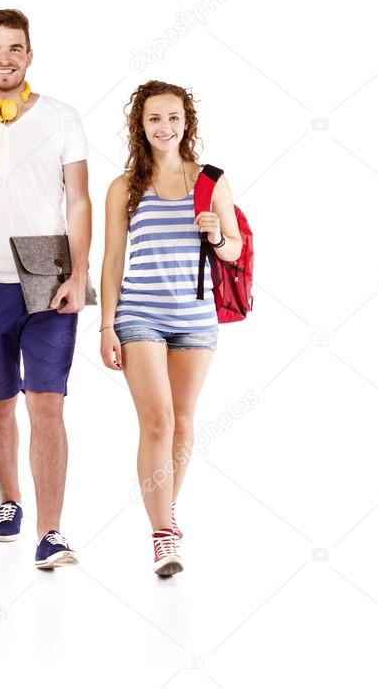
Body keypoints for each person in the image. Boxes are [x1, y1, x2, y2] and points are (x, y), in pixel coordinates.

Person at [0, 9, 92, 569]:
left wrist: (79, 273)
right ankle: (9, 499)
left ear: (30, 56)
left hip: (46, 263)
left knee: (48, 404)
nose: (4, 57)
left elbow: (78, 199)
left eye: (15, 48)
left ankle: (50, 531)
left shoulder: (62, 117)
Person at [99, 80, 242, 577]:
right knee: (157, 420)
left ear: (187, 123)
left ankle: (168, 514)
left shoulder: (210, 179)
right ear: (141, 124)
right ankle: (163, 535)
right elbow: (113, 259)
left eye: (174, 118)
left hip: (196, 318)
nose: (165, 127)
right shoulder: (124, 186)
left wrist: (218, 233)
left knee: (182, 421)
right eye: (155, 119)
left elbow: (235, 251)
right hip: (139, 315)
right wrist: (105, 325)